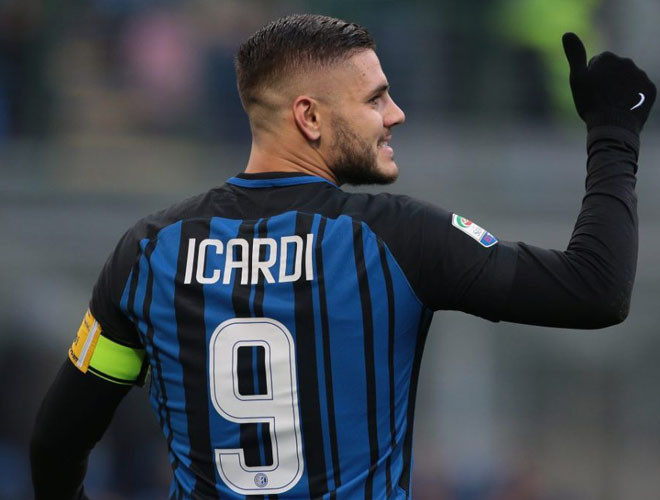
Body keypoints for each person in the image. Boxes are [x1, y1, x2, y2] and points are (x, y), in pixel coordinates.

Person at [30, 13, 656, 500]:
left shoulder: (148, 254)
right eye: (376, 99)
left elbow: (54, 447)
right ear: (309, 116)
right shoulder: (398, 239)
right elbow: (596, 290)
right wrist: (613, 133)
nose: (396, 114)